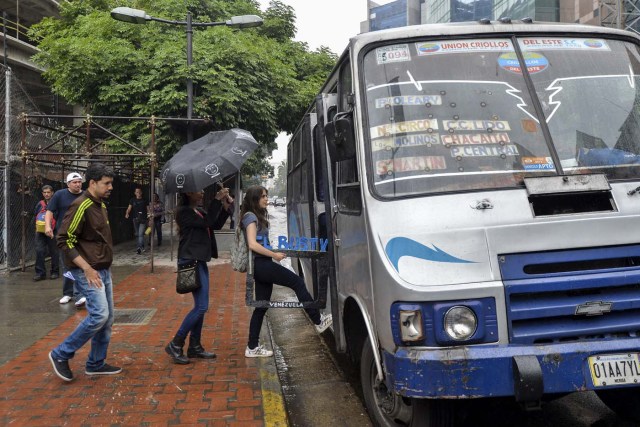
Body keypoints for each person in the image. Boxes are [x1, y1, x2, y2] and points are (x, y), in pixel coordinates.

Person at [48, 163, 120, 382]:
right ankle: (61, 353)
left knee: (107, 319)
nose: (110, 188)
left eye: (111, 184)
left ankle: (96, 363)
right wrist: (87, 268)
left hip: (102, 269)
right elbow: (64, 239)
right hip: (87, 271)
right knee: (99, 315)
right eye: (106, 183)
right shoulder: (82, 204)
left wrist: (104, 267)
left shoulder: (101, 205)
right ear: (93, 183)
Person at [240, 185, 332, 358]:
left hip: (261, 264)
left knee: (261, 306)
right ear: (254, 199)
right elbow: (252, 244)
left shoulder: (254, 216)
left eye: (267, 196)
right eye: (263, 196)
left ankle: (252, 347)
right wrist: (274, 255)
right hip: (261, 265)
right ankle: (318, 320)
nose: (267, 199)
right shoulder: (250, 217)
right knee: (297, 282)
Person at [164, 187, 227, 364]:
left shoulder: (198, 210)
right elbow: (207, 222)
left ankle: (195, 346)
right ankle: (176, 343)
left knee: (201, 306)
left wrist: (225, 206)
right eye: (197, 191)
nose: (201, 193)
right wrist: (216, 199)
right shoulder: (183, 212)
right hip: (190, 260)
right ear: (188, 193)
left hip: (199, 259)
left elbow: (214, 224)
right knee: (201, 307)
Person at [45, 172, 86, 307]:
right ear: (68, 184)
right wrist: (48, 226)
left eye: (79, 181)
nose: (77, 184)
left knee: (80, 265)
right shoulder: (59, 195)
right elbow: (49, 211)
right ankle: (68, 293)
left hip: (81, 236)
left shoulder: (86, 195)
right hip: (64, 236)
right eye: (74, 182)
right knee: (67, 265)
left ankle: (79, 294)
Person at [33, 184, 59, 281]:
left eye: (48, 192)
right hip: (40, 231)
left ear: (52, 193)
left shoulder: (56, 203)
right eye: (45, 192)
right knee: (39, 251)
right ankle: (40, 273)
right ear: (42, 193)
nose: (47, 194)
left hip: (53, 230)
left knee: (54, 251)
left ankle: (55, 272)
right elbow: (35, 215)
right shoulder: (40, 204)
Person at [125, 187, 149, 254]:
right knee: (137, 234)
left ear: (141, 192)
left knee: (140, 234)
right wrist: (127, 213)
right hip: (135, 219)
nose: (138, 193)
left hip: (143, 219)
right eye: (137, 192)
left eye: (139, 192)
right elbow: (129, 208)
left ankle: (139, 248)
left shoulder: (145, 200)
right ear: (135, 193)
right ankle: (142, 246)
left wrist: (149, 217)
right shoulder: (132, 200)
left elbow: (148, 209)